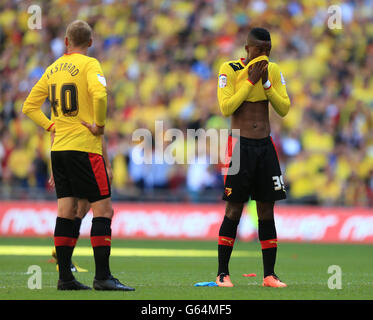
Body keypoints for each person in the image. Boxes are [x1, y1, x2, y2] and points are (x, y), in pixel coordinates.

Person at [22, 20, 134, 291]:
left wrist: (52, 125)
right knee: (104, 210)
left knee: (67, 211)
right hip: (84, 148)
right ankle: (103, 277)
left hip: (58, 149)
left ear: (66, 41)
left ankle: (65, 278)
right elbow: (100, 95)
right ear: (91, 43)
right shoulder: (90, 65)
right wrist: (100, 126)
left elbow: (29, 106)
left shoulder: (52, 69)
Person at [216, 27, 290, 288]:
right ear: (248, 49)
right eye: (261, 51)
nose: (265, 56)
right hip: (239, 146)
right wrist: (250, 81)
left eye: (269, 51)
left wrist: (267, 83)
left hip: (265, 147)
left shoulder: (274, 70)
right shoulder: (230, 69)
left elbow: (284, 108)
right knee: (234, 208)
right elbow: (226, 108)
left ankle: (269, 275)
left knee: (267, 210)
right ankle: (222, 273)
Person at [50, 135, 113, 274]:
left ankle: (64, 266)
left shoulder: (60, 113)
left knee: (77, 208)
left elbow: (54, 131)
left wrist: (53, 164)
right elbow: (98, 132)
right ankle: (65, 260)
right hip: (83, 154)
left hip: (61, 152)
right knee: (100, 209)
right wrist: (107, 165)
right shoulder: (85, 113)